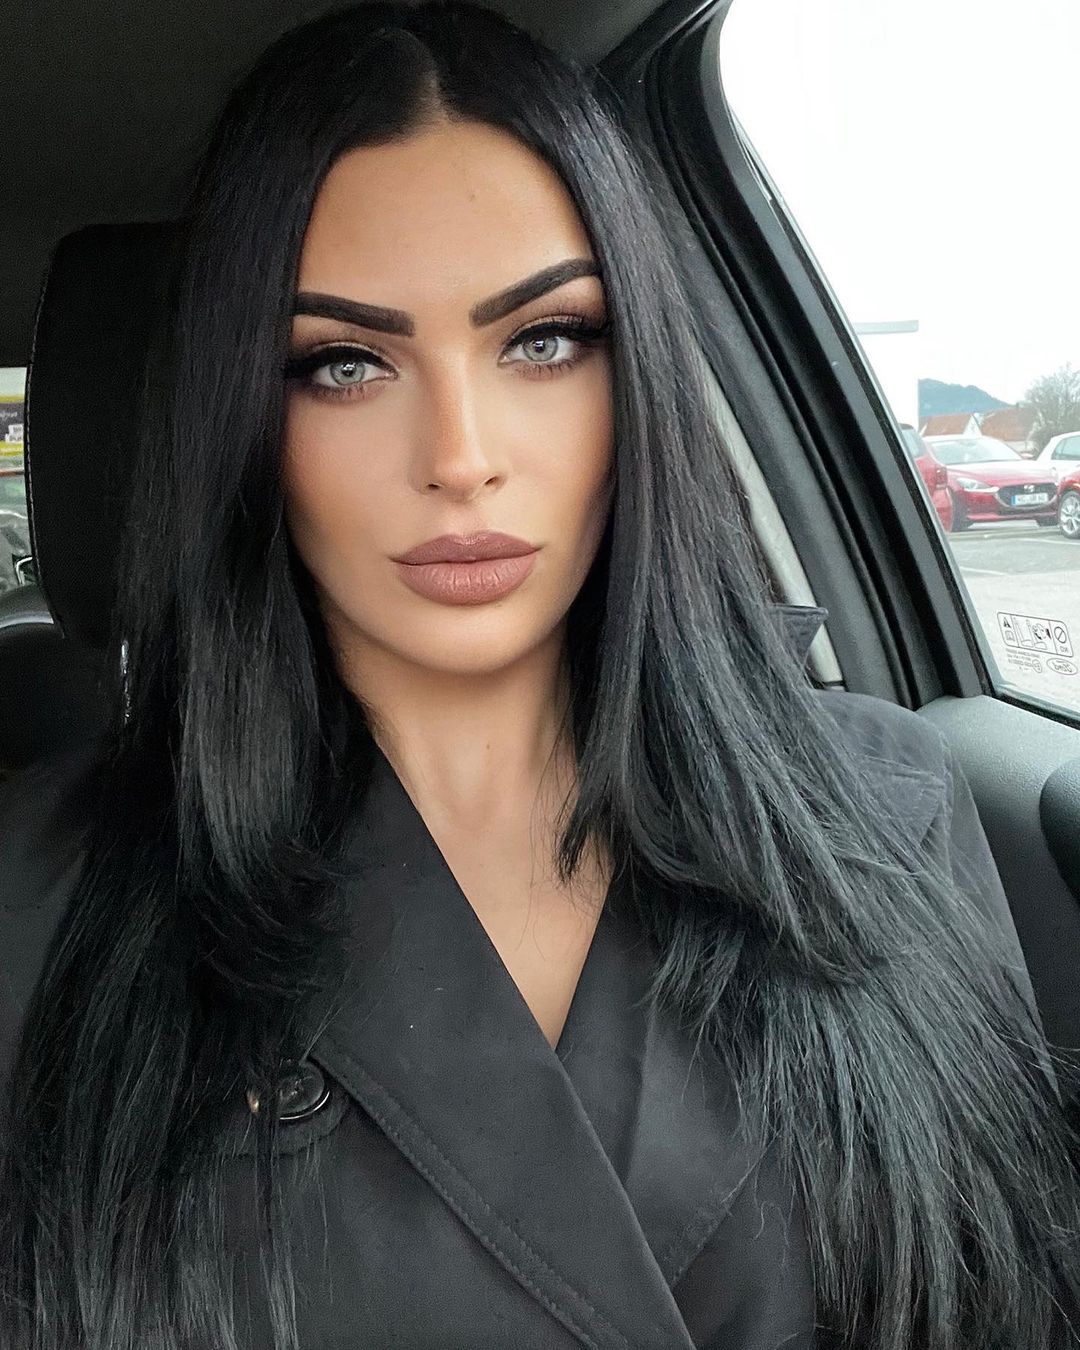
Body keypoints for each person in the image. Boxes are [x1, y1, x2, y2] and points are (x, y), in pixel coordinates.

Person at [1, 3, 1077, 1347]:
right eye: (344, 363)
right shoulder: (44, 909)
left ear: (640, 381)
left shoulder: (887, 808)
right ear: (244, 420)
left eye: (545, 341)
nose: (461, 456)